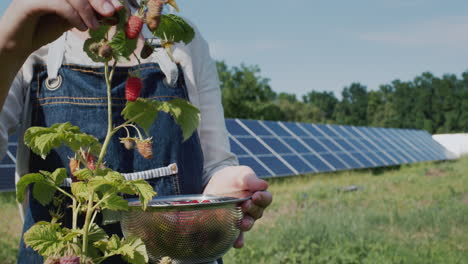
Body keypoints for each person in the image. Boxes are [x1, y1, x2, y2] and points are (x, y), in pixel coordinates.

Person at [0, 0, 273, 263]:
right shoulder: (31, 39)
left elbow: (215, 164)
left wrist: (225, 188)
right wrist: (8, 45)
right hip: (63, 255)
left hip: (177, 253)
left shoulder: (179, 44)